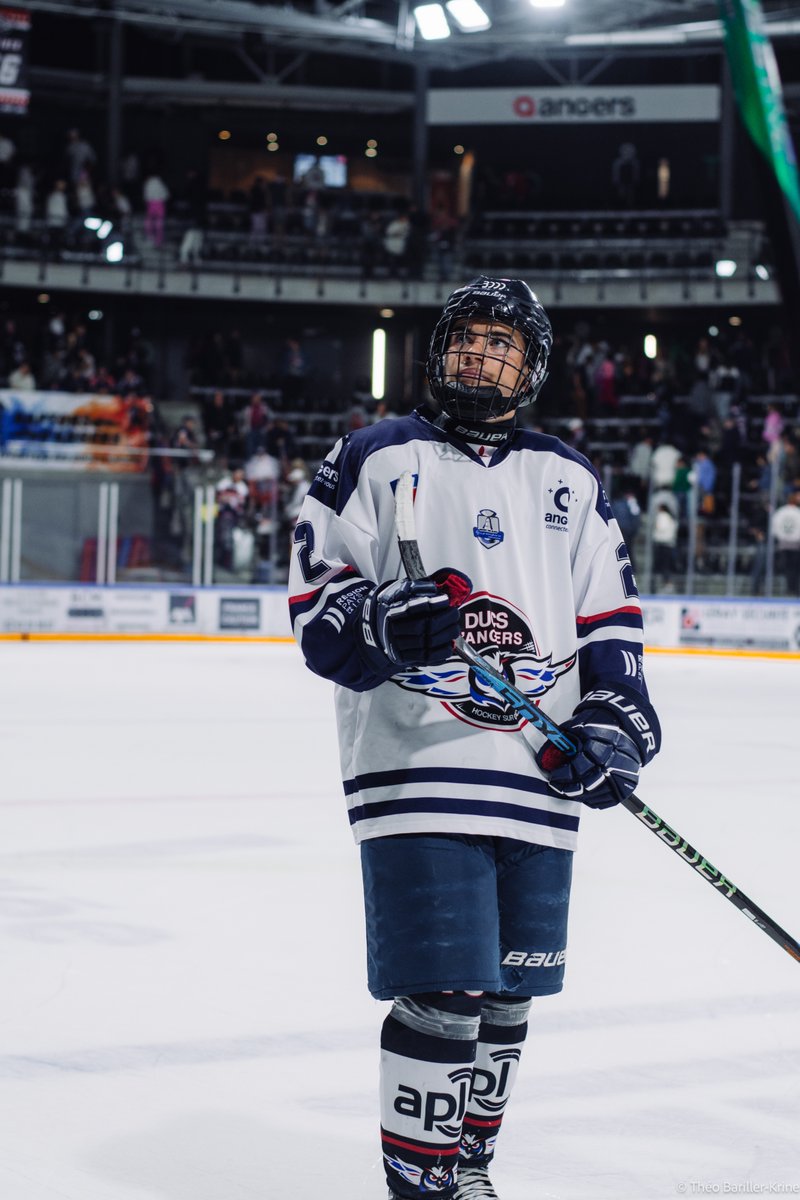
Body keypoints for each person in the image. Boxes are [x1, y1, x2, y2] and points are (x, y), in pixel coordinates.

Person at [288, 276, 661, 1200]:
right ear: (439, 352)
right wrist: (379, 623)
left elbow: (610, 624)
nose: (482, 357)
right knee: (445, 992)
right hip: (419, 764)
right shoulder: (372, 457)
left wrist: (613, 725)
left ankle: (470, 1170)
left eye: (504, 345)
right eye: (470, 340)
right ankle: (424, 1186)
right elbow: (316, 610)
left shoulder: (570, 478)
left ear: (531, 368)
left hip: (539, 774)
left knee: (508, 993)